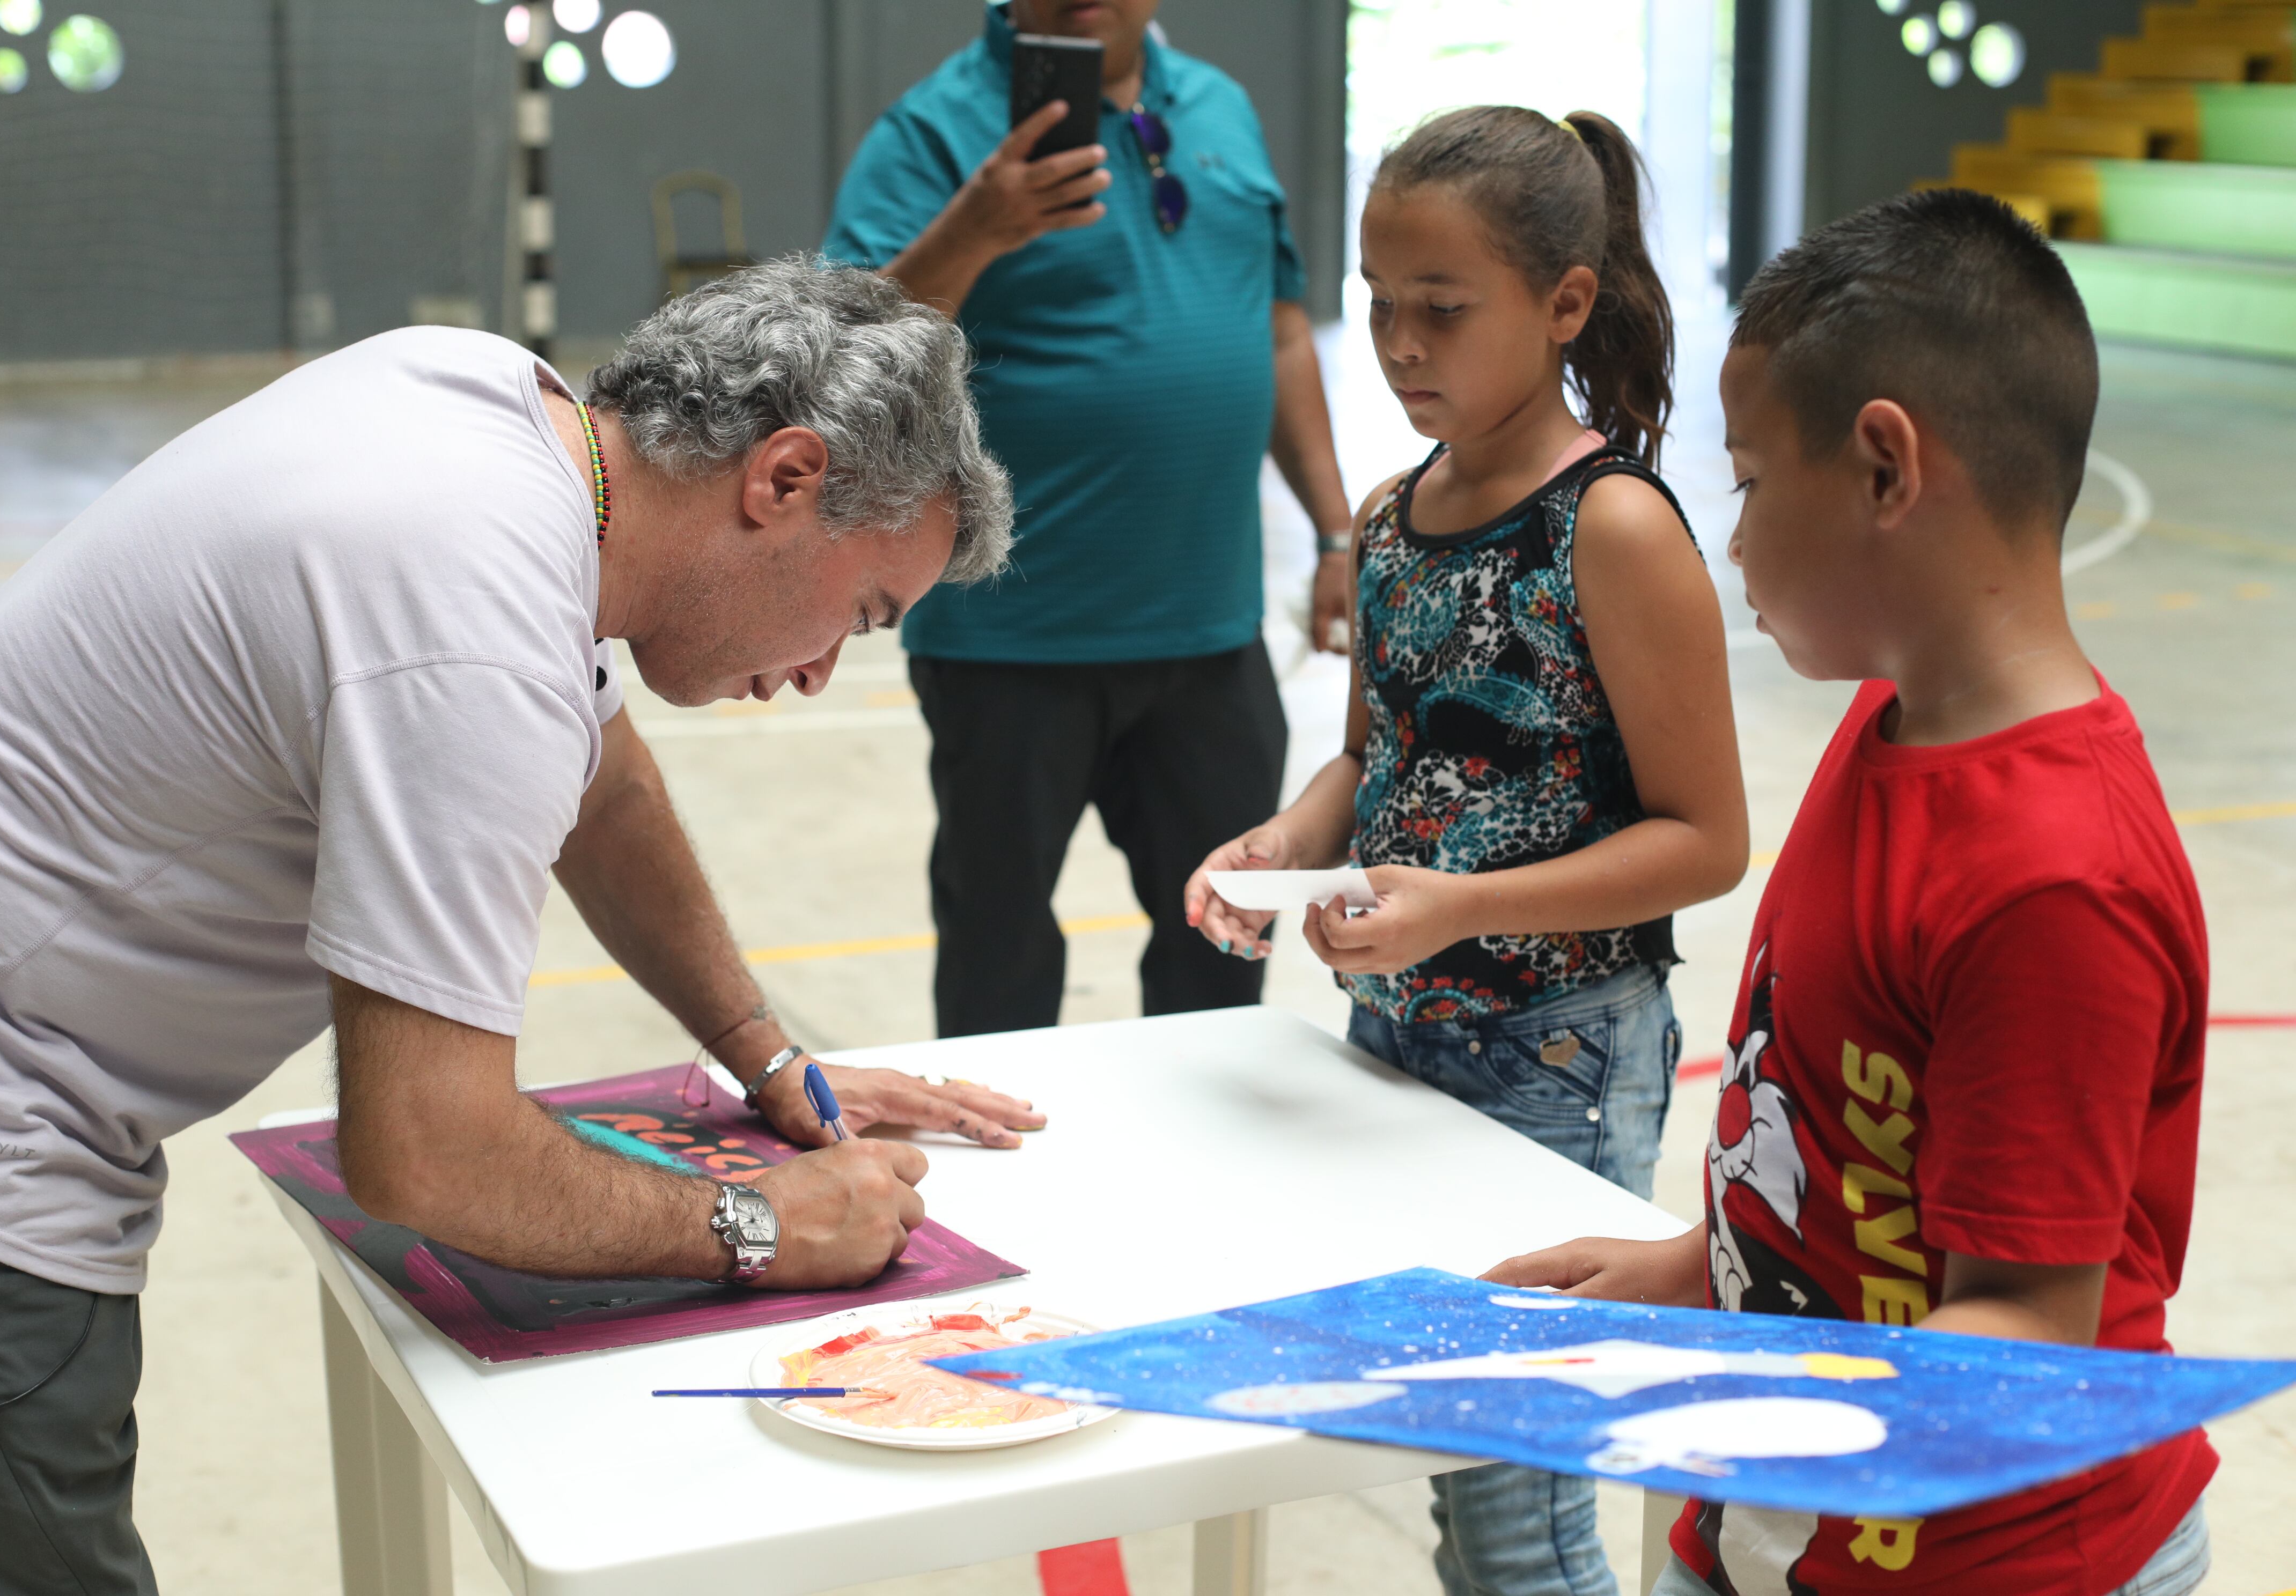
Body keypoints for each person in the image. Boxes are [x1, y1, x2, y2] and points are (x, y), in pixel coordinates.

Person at [0, 258, 1047, 1593]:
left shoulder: (491, 412)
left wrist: (764, 1057)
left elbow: (603, 791)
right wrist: (765, 1227)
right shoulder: (473, 625)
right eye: (858, 612)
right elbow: (428, 1151)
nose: (816, 673)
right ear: (783, 479)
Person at [1493, 189, 2214, 1596]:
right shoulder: (1890, 727)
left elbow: (2025, 1318)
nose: (1736, 535)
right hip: (1797, 1519)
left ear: (1887, 469)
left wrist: (1733, 1390)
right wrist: (1709, 1267)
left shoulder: (2052, 879)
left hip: (2003, 1565)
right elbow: (1830, 1119)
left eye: (1756, 481)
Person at [1186, 108, 1749, 1596]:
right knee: (1457, 1467)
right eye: (1377, 305)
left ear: (1565, 304)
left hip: (1560, 1057)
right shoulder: (1390, 519)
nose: (1398, 344)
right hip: (1399, 1041)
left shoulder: (1611, 528)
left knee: (1522, 1510)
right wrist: (1286, 841)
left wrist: (1465, 908)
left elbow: (1708, 841)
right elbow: (1379, 754)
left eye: (1443, 310)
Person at [821, 0, 1353, 1037]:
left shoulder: (1221, 108)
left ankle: (1201, 1179)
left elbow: (1282, 331)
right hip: (1011, 638)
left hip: (1210, 633)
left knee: (1224, 941)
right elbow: (842, 350)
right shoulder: (931, 131)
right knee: (999, 953)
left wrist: (1337, 533)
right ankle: (997, 1191)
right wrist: (973, 230)